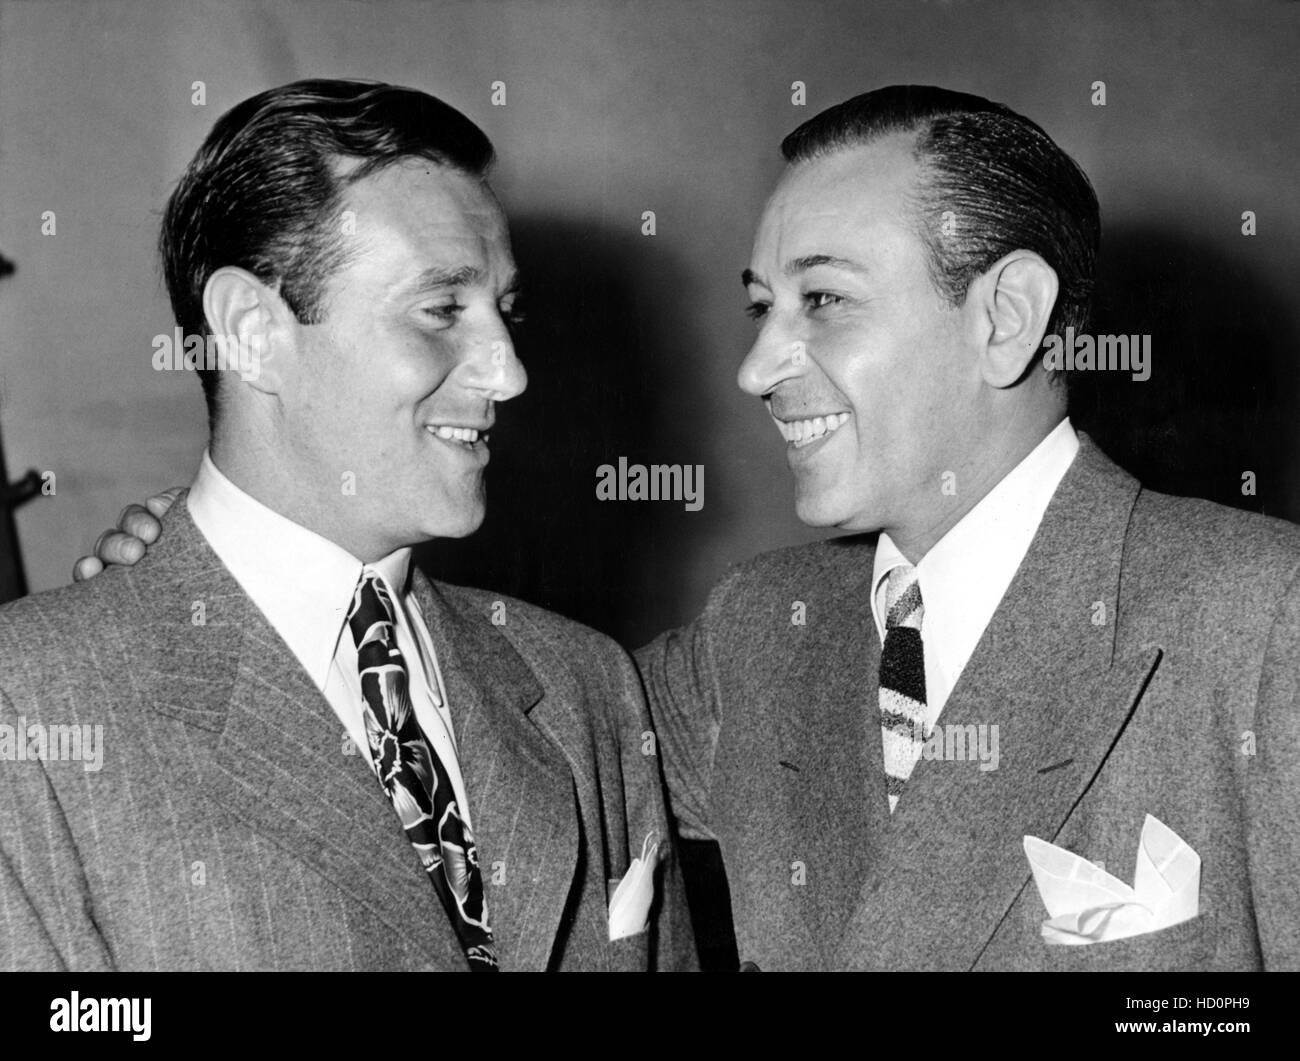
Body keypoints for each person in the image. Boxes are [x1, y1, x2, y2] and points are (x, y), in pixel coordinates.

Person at [78, 85, 1300, 972]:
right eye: (764, 307)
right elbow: (479, 721)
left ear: (1007, 317)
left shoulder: (1258, 618)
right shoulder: (766, 631)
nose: (762, 364)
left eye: (823, 301)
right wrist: (217, 599)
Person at [0, 79, 695, 972]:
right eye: (441, 310)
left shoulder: (586, 685)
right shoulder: (29, 710)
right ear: (252, 332)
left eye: (506, 313)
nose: (510, 373)